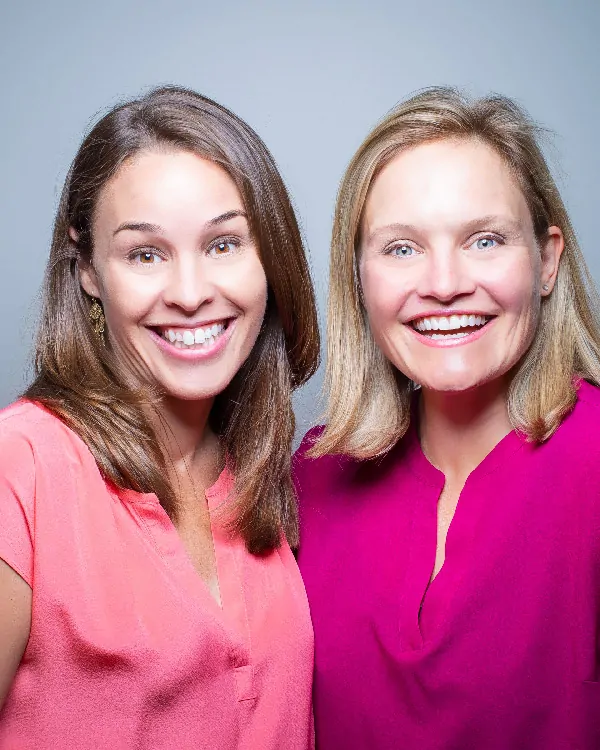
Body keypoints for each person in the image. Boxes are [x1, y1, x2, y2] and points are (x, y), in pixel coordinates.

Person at [0, 86, 319, 749]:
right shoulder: (20, 466)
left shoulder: (269, 480)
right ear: (89, 268)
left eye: (224, 244)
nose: (191, 292)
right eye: (146, 254)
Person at [295, 87, 600, 749]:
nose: (443, 282)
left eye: (483, 240)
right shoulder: (314, 475)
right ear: (361, 277)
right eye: (401, 248)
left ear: (547, 261)